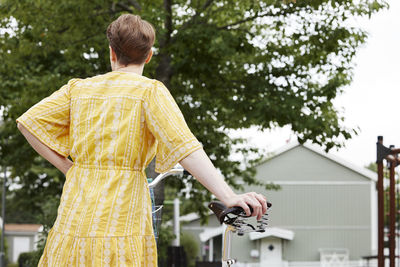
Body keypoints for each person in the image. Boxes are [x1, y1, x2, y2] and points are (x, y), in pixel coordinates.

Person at [16, 14, 268, 266]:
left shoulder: (78, 89)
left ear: (111, 52)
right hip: (123, 212)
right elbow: (186, 147)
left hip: (76, 211)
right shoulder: (150, 92)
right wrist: (228, 195)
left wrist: (69, 168)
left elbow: (28, 123)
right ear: (148, 56)